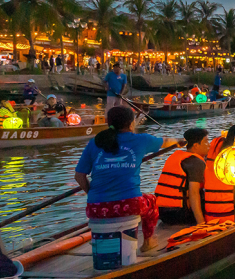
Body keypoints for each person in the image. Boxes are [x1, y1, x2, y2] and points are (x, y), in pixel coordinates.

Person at [74, 107, 183, 253]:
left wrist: (92, 194)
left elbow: (79, 176)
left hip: (95, 208)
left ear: (108, 122)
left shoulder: (95, 143)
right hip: (129, 205)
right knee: (151, 201)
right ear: (132, 124)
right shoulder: (141, 139)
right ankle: (148, 242)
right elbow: (167, 141)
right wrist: (182, 141)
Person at [155, 127, 209, 226]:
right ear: (196, 145)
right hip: (179, 214)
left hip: (162, 213)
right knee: (214, 197)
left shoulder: (176, 156)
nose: (209, 145)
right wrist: (201, 222)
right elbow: (194, 193)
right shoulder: (196, 162)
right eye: (206, 141)